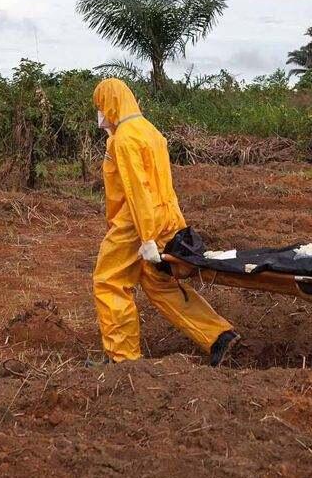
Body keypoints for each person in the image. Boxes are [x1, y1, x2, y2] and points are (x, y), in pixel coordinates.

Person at [91, 77, 240, 365]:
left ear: (111, 103)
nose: (99, 115)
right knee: (158, 282)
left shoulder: (125, 138)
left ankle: (122, 359)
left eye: (100, 106)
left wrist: (146, 237)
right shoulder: (150, 131)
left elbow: (137, 189)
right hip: (164, 217)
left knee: (109, 281)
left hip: (134, 223)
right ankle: (219, 336)